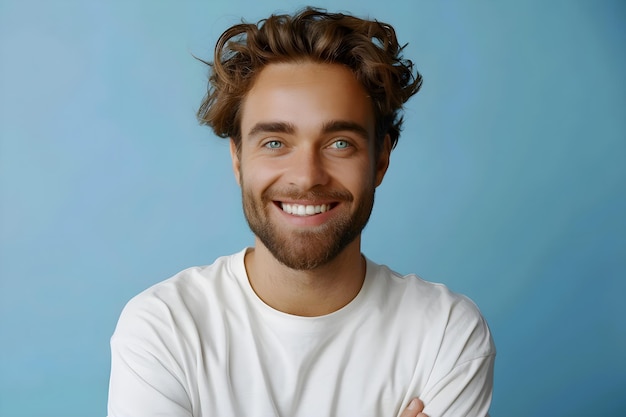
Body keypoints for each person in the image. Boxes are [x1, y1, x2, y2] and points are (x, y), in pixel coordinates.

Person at [107, 7, 495, 417]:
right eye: (275, 142)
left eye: (340, 143)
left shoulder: (446, 334)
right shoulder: (163, 328)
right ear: (238, 159)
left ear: (380, 160)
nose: (307, 177)